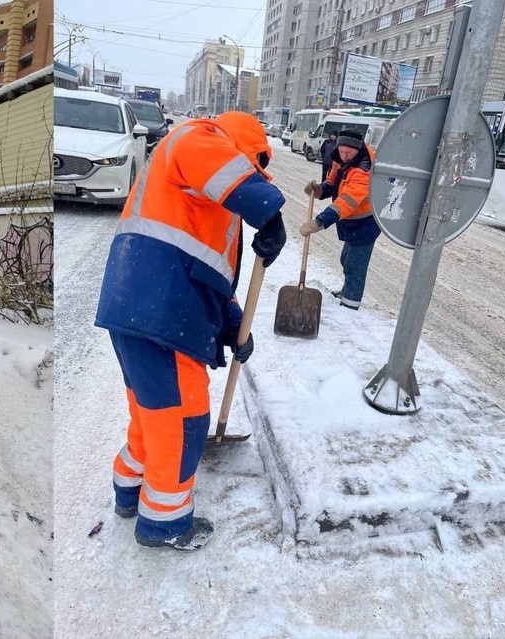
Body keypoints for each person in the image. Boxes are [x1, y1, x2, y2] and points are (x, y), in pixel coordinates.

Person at [94, 111, 287, 551]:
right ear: (241, 147)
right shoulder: (198, 137)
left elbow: (210, 273)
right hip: (161, 308)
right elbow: (219, 167)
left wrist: (234, 324)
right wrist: (268, 211)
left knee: (152, 414)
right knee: (183, 420)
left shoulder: (202, 201)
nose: (250, 175)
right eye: (252, 166)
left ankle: (129, 488)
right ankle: (165, 522)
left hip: (141, 304)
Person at [300, 128, 380, 310]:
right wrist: (319, 190)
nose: (344, 156)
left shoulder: (364, 169)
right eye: (342, 151)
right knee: (346, 259)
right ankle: (347, 292)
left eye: (348, 153)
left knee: (355, 265)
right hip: (351, 221)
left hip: (365, 222)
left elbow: (347, 201)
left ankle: (350, 304)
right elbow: (333, 182)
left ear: (358, 150)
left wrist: (319, 222)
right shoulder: (340, 159)